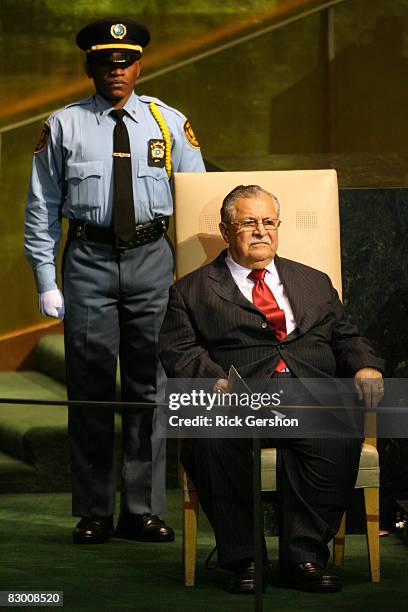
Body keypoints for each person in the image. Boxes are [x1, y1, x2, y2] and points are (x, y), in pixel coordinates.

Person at [25, 17, 205, 545]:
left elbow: (195, 203)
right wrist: (45, 279)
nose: (117, 70)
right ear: (90, 67)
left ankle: (143, 509)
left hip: (153, 257)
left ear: (141, 65)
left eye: (126, 61)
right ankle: (95, 510)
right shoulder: (64, 126)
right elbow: (41, 209)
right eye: (106, 61)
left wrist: (192, 281)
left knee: (151, 386)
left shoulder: (167, 122)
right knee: (91, 386)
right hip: (88, 259)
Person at [159, 184, 384, 593]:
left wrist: (365, 365)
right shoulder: (191, 290)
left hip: (310, 393)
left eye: (268, 222)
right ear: (227, 231)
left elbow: (346, 335)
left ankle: (304, 560)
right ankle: (246, 559)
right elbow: (178, 350)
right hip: (238, 399)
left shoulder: (314, 281)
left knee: (338, 435)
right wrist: (216, 381)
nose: (260, 231)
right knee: (209, 441)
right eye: (248, 223)